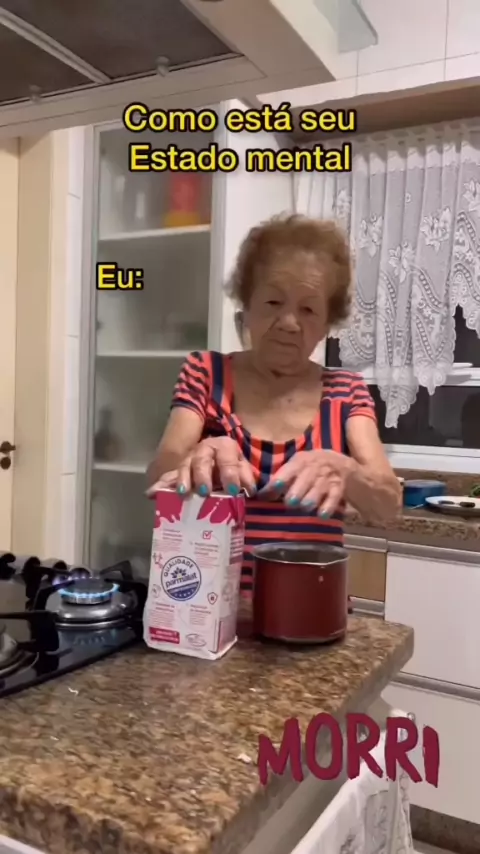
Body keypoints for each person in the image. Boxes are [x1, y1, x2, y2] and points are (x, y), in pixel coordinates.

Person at [147, 214, 401, 599]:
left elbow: (387, 506)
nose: (289, 322)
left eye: (309, 310)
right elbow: (159, 474)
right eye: (272, 302)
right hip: (208, 608)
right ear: (246, 306)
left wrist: (346, 471)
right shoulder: (207, 373)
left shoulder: (345, 391)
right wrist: (200, 455)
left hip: (310, 608)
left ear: (327, 324)